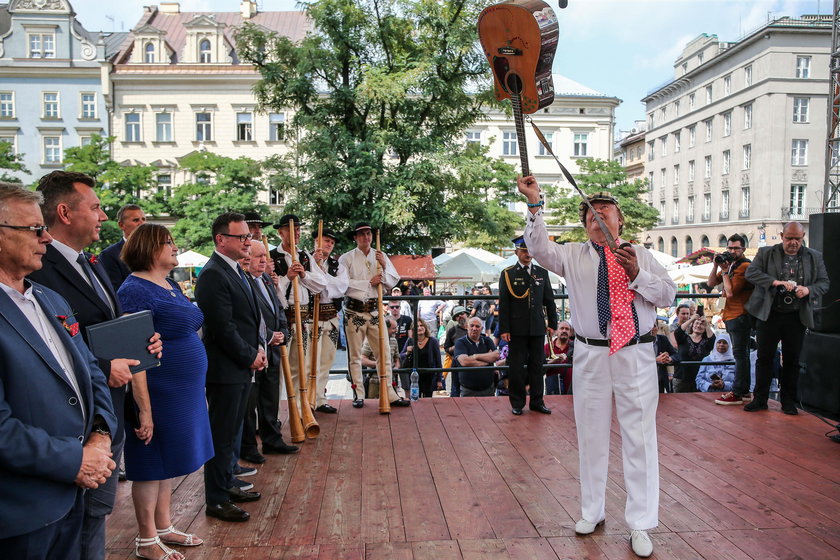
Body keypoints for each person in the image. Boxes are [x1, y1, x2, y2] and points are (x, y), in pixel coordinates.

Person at [519, 176, 676, 559]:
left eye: (606, 210)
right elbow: (538, 247)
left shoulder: (641, 254)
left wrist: (638, 275)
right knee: (590, 435)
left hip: (636, 353)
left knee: (639, 435)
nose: (598, 214)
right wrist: (535, 204)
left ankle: (640, 522)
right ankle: (592, 511)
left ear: (620, 221)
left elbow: (669, 295)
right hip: (590, 352)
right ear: (584, 224)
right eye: (591, 212)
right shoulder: (571, 255)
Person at [28, 171, 162, 559]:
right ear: (66, 213)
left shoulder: (92, 263)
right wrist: (105, 366)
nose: (103, 217)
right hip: (73, 424)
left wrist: (143, 341)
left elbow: (111, 324)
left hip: (109, 412)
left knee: (97, 513)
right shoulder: (39, 266)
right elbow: (43, 341)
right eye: (96, 207)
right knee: (73, 521)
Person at [0, 183, 117, 559]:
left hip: (76, 496)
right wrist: (75, 460)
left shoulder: (50, 299)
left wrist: (100, 436)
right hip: (22, 511)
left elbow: (91, 375)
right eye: (35, 229)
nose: (47, 237)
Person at [117, 224, 214, 559]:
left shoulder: (169, 283)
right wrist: (144, 408)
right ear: (147, 247)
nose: (175, 247)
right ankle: (145, 540)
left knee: (167, 459)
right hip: (157, 389)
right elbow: (134, 351)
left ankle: (163, 526)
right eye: (167, 242)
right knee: (150, 459)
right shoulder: (135, 290)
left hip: (182, 390)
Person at [194, 212, 266, 523]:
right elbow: (222, 327)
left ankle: (228, 483)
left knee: (232, 431)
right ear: (221, 240)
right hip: (226, 369)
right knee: (221, 434)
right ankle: (217, 498)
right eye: (242, 237)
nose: (247, 242)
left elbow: (246, 319)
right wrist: (249, 354)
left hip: (241, 364)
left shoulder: (236, 271)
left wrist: (256, 350)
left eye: (248, 237)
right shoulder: (213, 274)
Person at [744, 222, 830, 415]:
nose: (793, 243)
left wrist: (808, 290)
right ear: (782, 235)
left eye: (797, 239)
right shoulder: (766, 252)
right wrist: (775, 282)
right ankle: (760, 399)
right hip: (770, 314)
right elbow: (751, 273)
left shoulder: (814, 257)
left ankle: (788, 401)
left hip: (796, 316)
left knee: (793, 360)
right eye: (789, 238)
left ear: (803, 236)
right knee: (764, 358)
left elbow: (824, 283)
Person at [338, 222, 409, 409]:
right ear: (355, 237)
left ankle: (389, 393)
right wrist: (368, 282)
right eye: (361, 234)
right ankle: (358, 393)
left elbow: (393, 281)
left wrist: (384, 267)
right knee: (354, 355)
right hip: (354, 311)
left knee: (384, 353)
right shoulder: (346, 259)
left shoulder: (380, 255)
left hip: (375, 310)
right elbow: (342, 284)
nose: (366, 237)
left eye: (368, 234)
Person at [242, 241, 297, 459]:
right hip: (256, 350)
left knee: (270, 398)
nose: (264, 260)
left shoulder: (266, 279)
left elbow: (278, 308)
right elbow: (246, 320)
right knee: (250, 403)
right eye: (258, 256)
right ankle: (247, 447)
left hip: (273, 349)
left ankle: (272, 440)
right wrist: (267, 336)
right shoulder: (245, 282)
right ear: (247, 259)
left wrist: (282, 331)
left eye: (265, 256)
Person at [269, 215, 326, 411]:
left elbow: (321, 284)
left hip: (304, 318)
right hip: (283, 317)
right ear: (281, 232)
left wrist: (303, 274)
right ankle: (274, 414)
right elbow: (270, 292)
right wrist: (287, 277)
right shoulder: (272, 257)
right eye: (292, 230)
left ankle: (301, 411)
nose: (297, 233)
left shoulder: (304, 256)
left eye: (299, 230)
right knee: (278, 370)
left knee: (301, 367)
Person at [498, 235, 558, 415]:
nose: (527, 254)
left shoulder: (541, 273)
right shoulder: (508, 274)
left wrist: (552, 323)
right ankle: (517, 403)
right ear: (516, 252)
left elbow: (549, 301)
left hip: (537, 327)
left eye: (530, 250)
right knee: (516, 367)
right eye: (524, 250)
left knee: (538, 366)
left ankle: (537, 401)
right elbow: (504, 303)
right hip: (516, 329)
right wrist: (504, 328)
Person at [707, 234, 754, 405]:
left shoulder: (744, 266)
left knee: (740, 355)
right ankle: (745, 391)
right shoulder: (731, 265)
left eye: (736, 248)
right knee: (742, 354)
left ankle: (738, 391)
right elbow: (711, 283)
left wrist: (725, 271)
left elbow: (731, 291)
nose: (732, 251)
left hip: (740, 315)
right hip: (732, 315)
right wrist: (715, 266)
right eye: (730, 248)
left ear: (743, 249)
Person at [311, 227, 349, 414]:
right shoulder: (305, 260)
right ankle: (308, 400)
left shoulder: (337, 266)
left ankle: (320, 398)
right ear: (316, 241)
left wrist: (321, 277)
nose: (329, 245)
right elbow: (307, 286)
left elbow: (340, 288)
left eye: (332, 243)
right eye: (326, 240)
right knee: (310, 361)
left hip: (331, 316)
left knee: (327, 360)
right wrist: (317, 272)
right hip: (311, 318)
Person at [98, 204, 146, 291]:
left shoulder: (154, 251)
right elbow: (115, 291)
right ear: (121, 225)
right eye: (136, 220)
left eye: (143, 219)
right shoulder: (109, 255)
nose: (142, 223)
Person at [453, 316, 501, 397]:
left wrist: (475, 356)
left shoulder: (487, 340)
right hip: (468, 390)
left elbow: (496, 355)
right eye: (472, 325)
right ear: (467, 327)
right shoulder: (460, 342)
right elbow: (464, 362)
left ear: (482, 328)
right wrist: (488, 360)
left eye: (477, 326)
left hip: (488, 388)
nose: (474, 328)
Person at [400, 317, 443, 397]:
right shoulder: (410, 340)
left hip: (429, 377)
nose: (419, 328)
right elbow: (401, 355)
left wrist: (439, 380)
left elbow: (438, 361)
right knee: (415, 400)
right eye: (417, 326)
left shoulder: (433, 341)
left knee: (428, 401)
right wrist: (407, 352)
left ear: (425, 327)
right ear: (413, 329)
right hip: (414, 377)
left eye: (421, 325)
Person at [672, 314, 715, 393]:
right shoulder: (684, 338)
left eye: (701, 324)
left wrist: (706, 324)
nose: (698, 326)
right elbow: (678, 332)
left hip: (700, 378)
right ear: (692, 326)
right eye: (696, 323)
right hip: (682, 377)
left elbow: (713, 340)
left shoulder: (706, 342)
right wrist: (691, 319)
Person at [361, 316, 401, 398]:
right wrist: (380, 364)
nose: (396, 330)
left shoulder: (394, 341)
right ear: (385, 329)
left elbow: (397, 358)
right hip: (375, 381)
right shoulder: (370, 341)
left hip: (391, 380)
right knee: (373, 404)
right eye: (393, 328)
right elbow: (362, 359)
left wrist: (396, 367)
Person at [442, 305, 469, 397]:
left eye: (462, 313)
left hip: (473, 363)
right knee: (455, 390)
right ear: (455, 318)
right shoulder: (452, 331)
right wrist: (455, 347)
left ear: (466, 314)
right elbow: (446, 348)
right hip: (457, 364)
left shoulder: (474, 328)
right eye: (457, 315)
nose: (460, 316)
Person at [544, 321, 573, 395]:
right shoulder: (547, 347)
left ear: (570, 332)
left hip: (572, 390)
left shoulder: (575, 346)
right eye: (561, 328)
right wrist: (553, 361)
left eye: (567, 329)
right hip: (554, 390)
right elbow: (540, 370)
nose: (564, 331)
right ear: (556, 331)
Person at [652, 324, 679, 393]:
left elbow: (676, 355)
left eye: (654, 326)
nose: (651, 328)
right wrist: (655, 360)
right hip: (644, 381)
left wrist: (669, 359)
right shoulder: (639, 341)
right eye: (649, 326)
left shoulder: (663, 339)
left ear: (657, 327)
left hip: (660, 381)